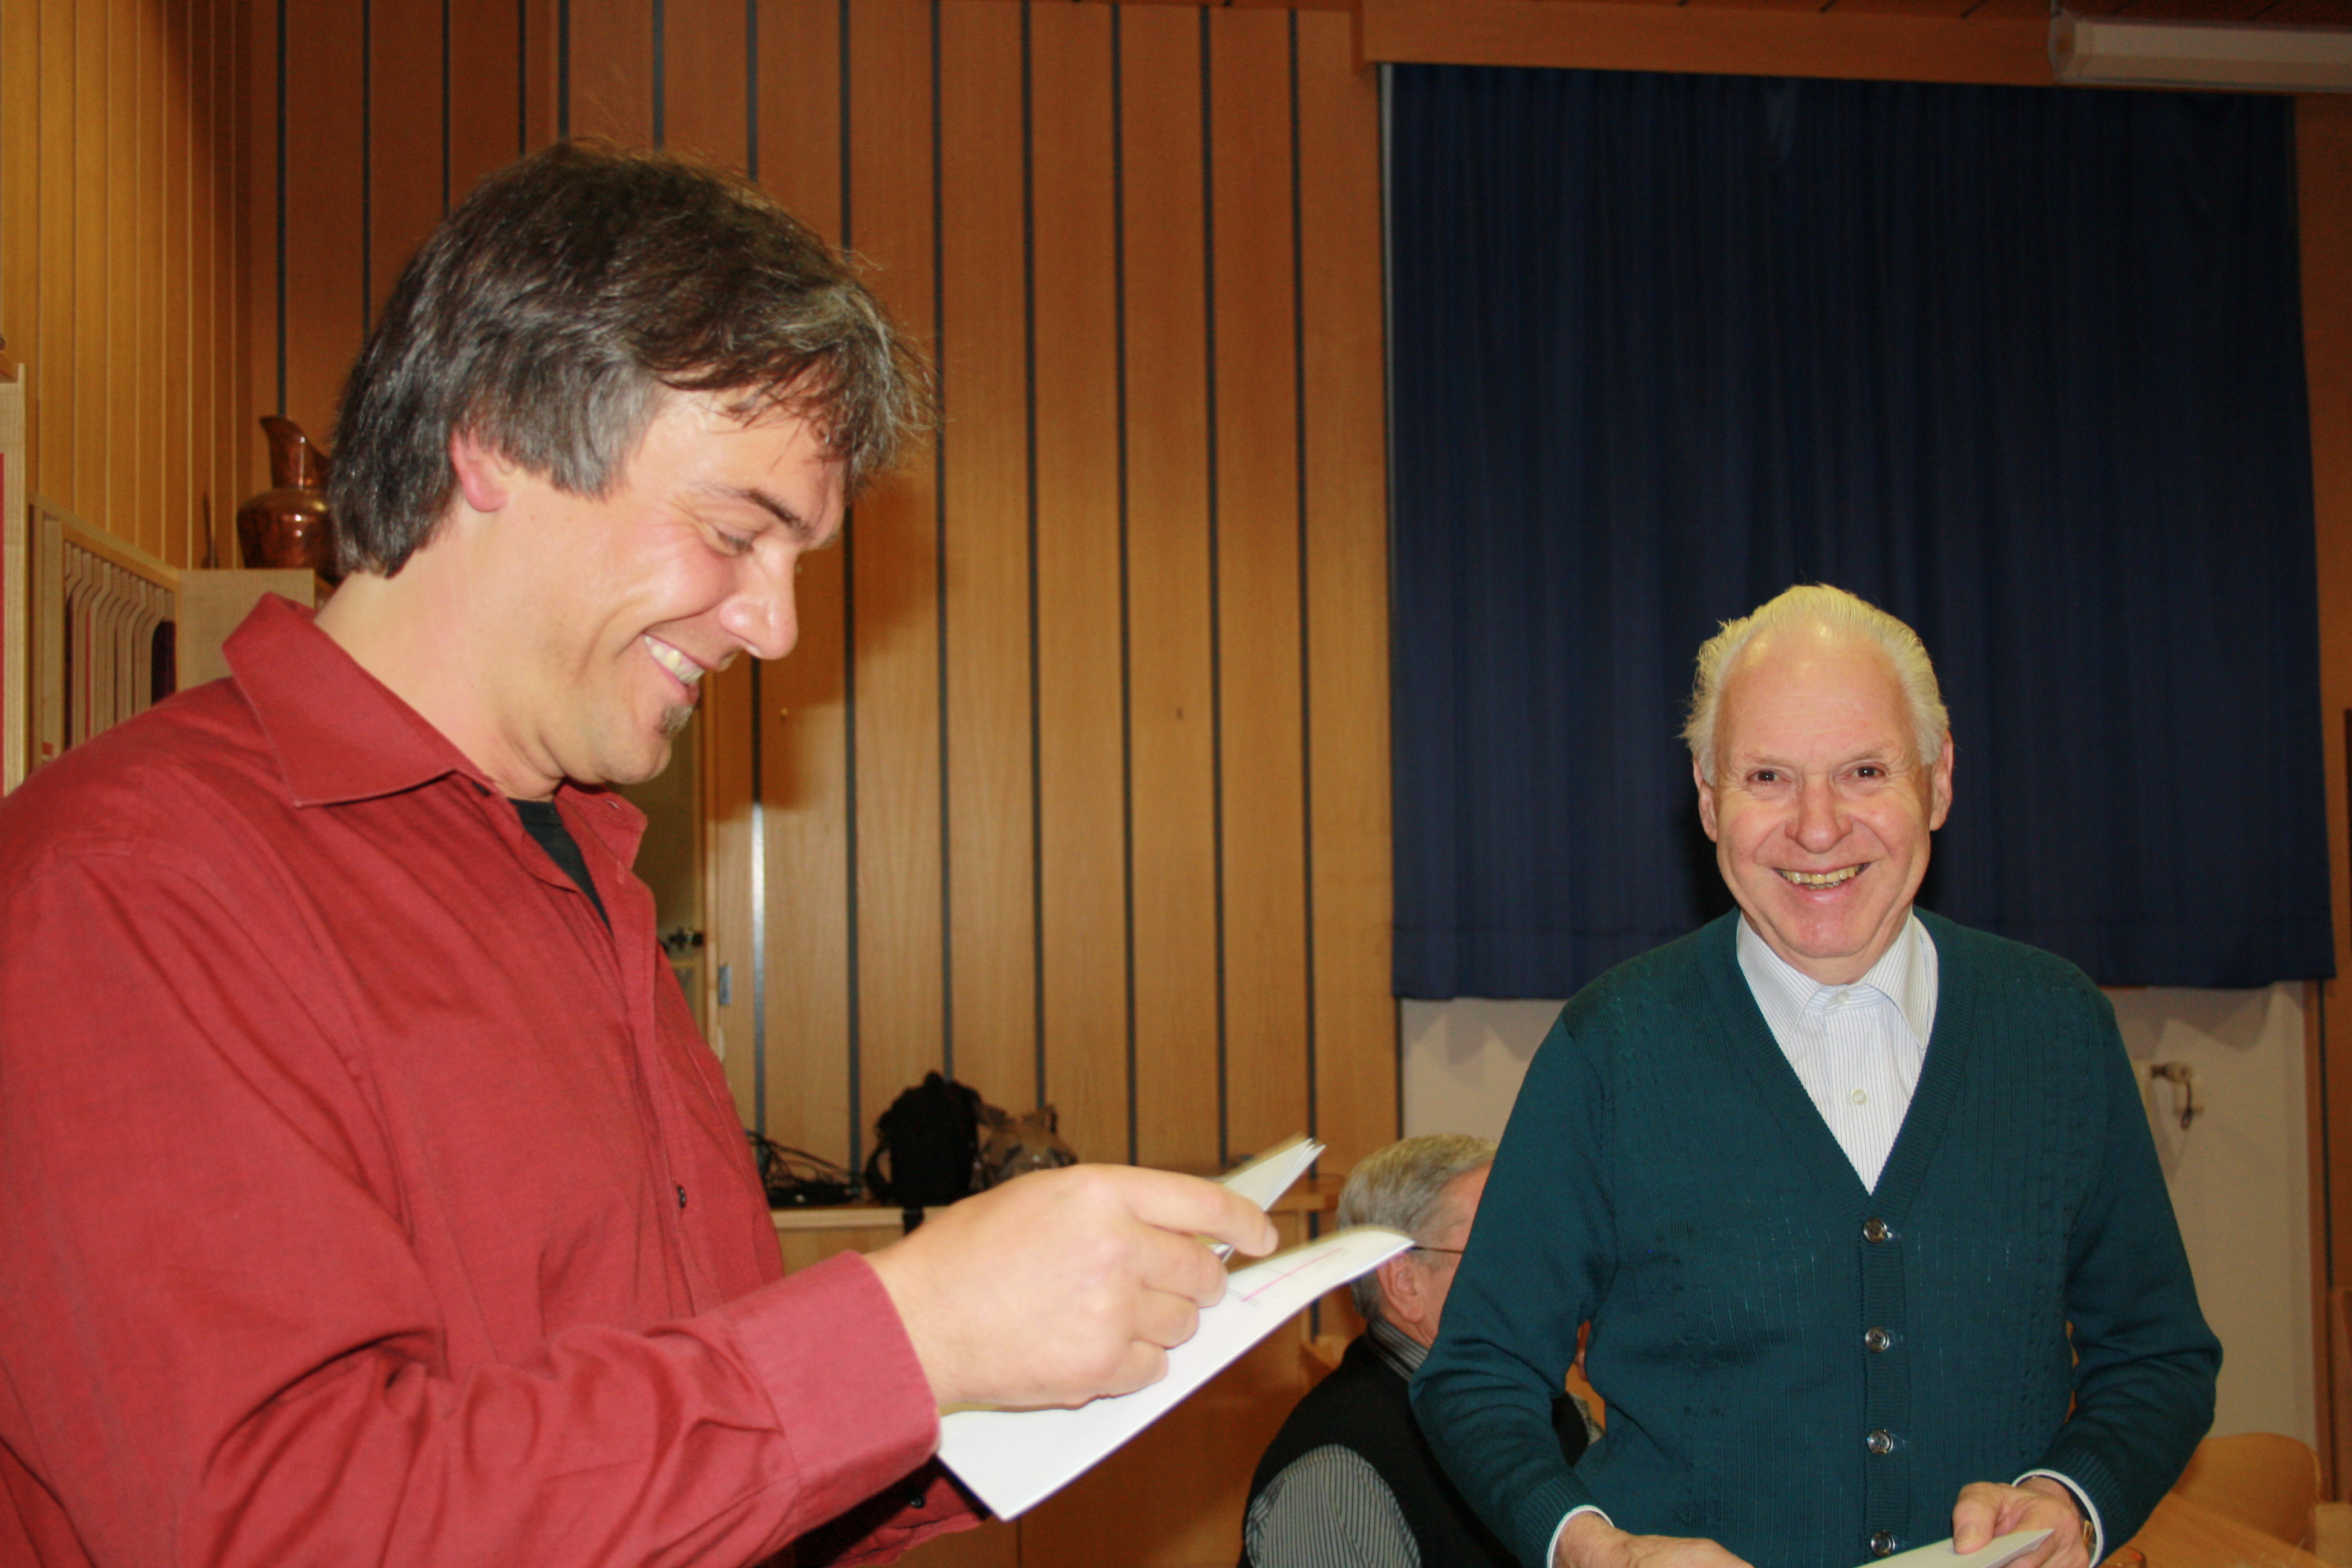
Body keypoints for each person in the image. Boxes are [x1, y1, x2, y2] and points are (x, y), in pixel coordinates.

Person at [0, 140, 1275, 1568]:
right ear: (497, 437)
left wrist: (993, 1394)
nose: (776, 628)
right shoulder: (125, 884)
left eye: (796, 561)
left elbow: (654, 1472)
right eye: (736, 532)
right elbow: (276, 1526)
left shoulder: (579, 875)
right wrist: (909, 1335)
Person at [1413, 584, 2220, 1568]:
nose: (1818, 826)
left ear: (1939, 780)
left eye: (1865, 771)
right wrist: (1592, 1549)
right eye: (1767, 777)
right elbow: (1477, 1373)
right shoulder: (1609, 1048)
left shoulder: (2057, 1027)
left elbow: (2158, 1357)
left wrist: (2068, 1497)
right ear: (1707, 798)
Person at [1243, 1135, 1595, 1568]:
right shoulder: (1337, 1474)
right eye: (1501, 1251)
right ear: (1405, 1284)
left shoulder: (1560, 1413)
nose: (1543, 1272)